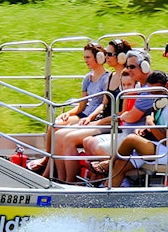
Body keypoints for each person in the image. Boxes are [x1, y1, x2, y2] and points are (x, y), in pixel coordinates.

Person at [52, 48, 152, 183]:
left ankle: (114, 180)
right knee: (85, 140)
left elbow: (129, 116)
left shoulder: (144, 90)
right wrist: (92, 119)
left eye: (132, 66)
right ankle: (72, 179)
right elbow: (118, 111)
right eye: (128, 66)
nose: (129, 69)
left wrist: (104, 120)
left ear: (145, 67)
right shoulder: (131, 87)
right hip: (119, 127)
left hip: (127, 133)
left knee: (77, 140)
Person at [26, 42, 111, 175]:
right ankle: (47, 159)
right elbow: (82, 104)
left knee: (60, 132)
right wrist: (68, 114)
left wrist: (90, 117)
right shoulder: (87, 78)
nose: (85, 60)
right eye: (84, 57)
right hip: (84, 113)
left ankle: (50, 170)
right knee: (55, 125)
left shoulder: (106, 79)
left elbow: (103, 105)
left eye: (88, 57)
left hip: (93, 117)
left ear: (99, 58)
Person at [106, 71, 168, 187]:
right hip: (160, 146)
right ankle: (107, 194)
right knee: (120, 164)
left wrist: (150, 125)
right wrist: (145, 129)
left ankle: (107, 163)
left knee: (131, 139)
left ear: (167, 86)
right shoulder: (160, 103)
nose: (153, 95)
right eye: (151, 92)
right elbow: (157, 129)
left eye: (156, 91)